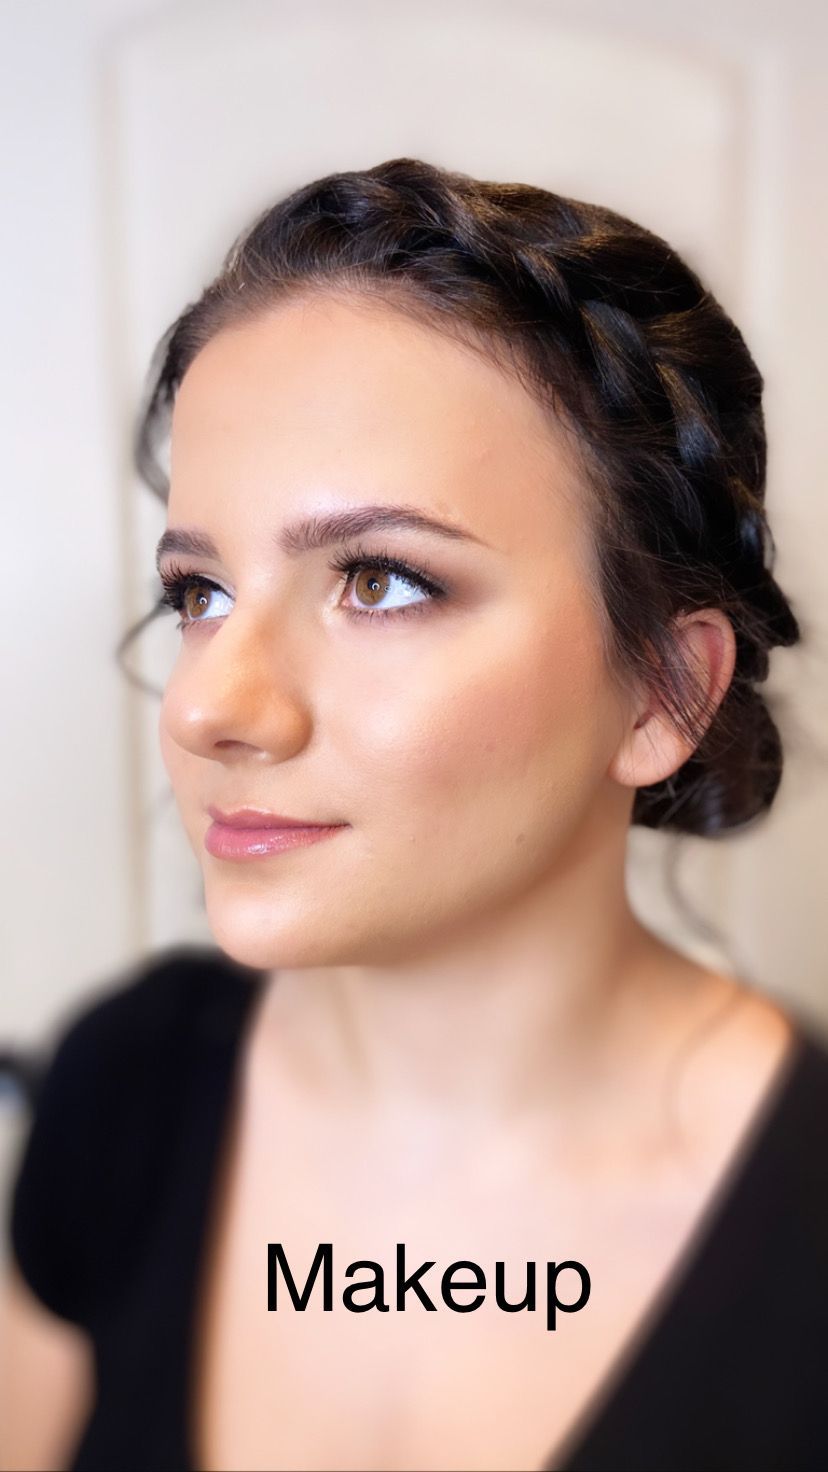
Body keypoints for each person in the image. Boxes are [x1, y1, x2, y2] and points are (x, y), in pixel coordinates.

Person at [2, 156, 827, 1472]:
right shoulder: (128, 1089)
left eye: (380, 580)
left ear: (665, 690)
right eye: (200, 590)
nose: (214, 705)